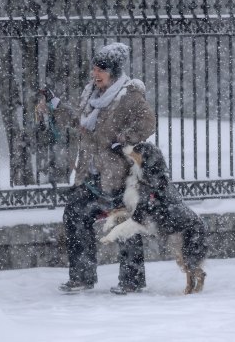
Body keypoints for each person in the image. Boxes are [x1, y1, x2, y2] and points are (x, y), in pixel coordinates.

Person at [40, 42, 156, 294]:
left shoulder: (128, 95)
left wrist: (123, 140)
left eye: (100, 69)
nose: (95, 73)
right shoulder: (91, 94)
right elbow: (79, 122)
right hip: (90, 175)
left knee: (124, 222)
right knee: (74, 213)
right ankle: (82, 276)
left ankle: (132, 280)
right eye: (94, 68)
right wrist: (56, 103)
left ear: (113, 71)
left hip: (118, 177)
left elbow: (148, 123)